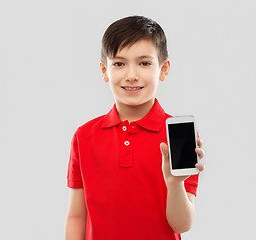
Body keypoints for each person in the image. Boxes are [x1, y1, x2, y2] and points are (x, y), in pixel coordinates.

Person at [64, 15, 205, 240]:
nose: (131, 75)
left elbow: (181, 224)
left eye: (144, 63)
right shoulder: (84, 136)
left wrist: (175, 183)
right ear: (104, 70)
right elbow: (76, 216)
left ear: (164, 69)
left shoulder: (177, 136)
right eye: (119, 64)